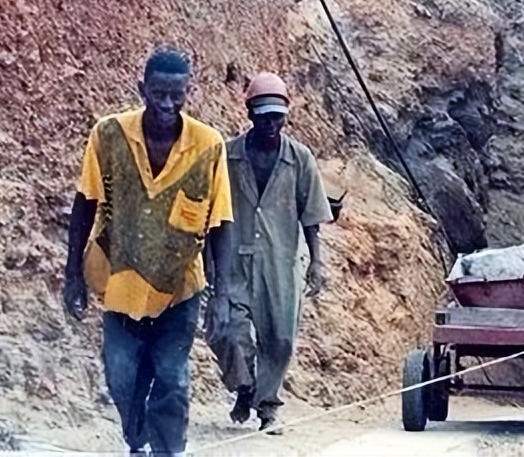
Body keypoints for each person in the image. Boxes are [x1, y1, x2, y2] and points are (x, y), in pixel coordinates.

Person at [63, 48, 234, 457]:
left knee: (172, 376)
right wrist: (72, 276)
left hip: (181, 289)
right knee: (121, 375)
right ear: (142, 89)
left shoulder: (208, 146)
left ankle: (168, 450)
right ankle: (136, 440)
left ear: (187, 92)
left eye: (177, 95)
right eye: (159, 94)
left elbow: (221, 224)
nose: (168, 105)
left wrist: (223, 294)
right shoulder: (108, 136)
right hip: (121, 283)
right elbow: (84, 204)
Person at [207, 72, 332, 434]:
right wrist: (208, 263)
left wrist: (317, 262)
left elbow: (311, 216)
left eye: (277, 116)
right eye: (264, 117)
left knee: (280, 338)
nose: (271, 124)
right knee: (227, 330)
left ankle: (268, 408)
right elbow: (210, 212)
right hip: (232, 258)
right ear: (249, 114)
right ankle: (245, 388)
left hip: (281, 260)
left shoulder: (300, 159)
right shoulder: (227, 157)